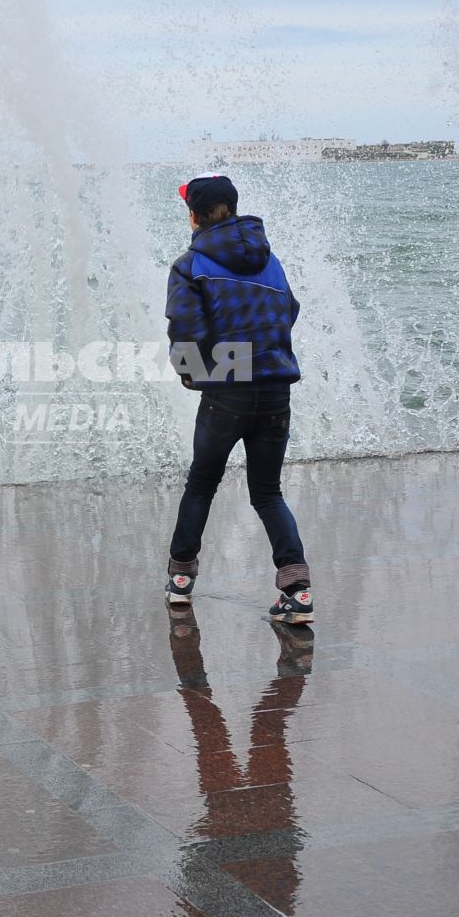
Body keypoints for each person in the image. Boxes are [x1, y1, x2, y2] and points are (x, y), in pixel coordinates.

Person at [163, 173, 315, 624]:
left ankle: (181, 582)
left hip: (226, 391)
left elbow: (184, 330)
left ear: (193, 216)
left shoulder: (190, 265)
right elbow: (289, 310)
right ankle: (298, 593)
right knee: (267, 494)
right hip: (275, 390)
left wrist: (194, 376)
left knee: (201, 485)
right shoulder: (271, 260)